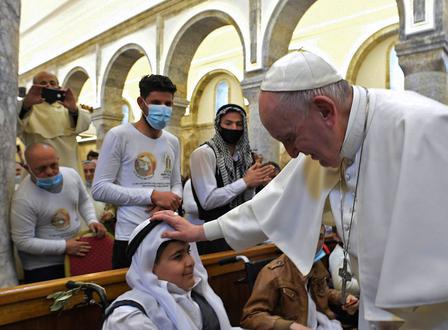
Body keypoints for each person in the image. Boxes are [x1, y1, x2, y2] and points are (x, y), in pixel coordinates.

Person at [153, 50, 448, 329]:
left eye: (290, 137)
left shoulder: (424, 132)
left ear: (324, 111)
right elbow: (273, 201)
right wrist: (198, 233)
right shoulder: (333, 143)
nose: (291, 152)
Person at [92, 74, 182, 269]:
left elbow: (176, 182)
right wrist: (152, 196)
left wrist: (171, 201)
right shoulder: (119, 135)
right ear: (141, 103)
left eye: (168, 104)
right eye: (156, 102)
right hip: (130, 235)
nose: (163, 109)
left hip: (165, 230)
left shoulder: (172, 141)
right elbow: (99, 189)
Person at [102, 219, 239, 330]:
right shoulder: (129, 317)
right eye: (178, 256)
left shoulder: (195, 296)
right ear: (149, 267)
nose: (191, 262)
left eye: (188, 252)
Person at [10, 143, 106, 283]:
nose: (49, 172)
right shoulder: (23, 199)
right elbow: (22, 242)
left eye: (54, 165)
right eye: (41, 169)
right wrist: (64, 247)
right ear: (27, 168)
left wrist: (92, 220)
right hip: (43, 267)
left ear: (58, 159)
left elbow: (84, 201)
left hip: (75, 255)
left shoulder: (71, 175)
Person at [189, 103, 274, 254]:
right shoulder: (204, 153)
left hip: (240, 231)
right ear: (218, 124)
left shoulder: (245, 157)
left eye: (239, 124)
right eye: (228, 123)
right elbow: (208, 201)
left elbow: (246, 201)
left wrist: (255, 184)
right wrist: (245, 182)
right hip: (212, 235)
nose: (234, 128)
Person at [241, 225, 357, 330]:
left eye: (320, 237)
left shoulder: (315, 264)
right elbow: (251, 317)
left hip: (322, 324)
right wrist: (289, 326)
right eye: (311, 237)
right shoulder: (273, 273)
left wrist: (344, 298)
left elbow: (324, 292)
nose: (316, 243)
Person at [18, 71, 91, 173]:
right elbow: (13, 129)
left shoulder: (68, 109)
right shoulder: (28, 109)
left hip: (68, 167)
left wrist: (74, 109)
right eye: (43, 83)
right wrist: (26, 105)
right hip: (39, 170)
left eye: (52, 83)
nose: (48, 85)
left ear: (59, 87)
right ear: (34, 87)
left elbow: (85, 124)